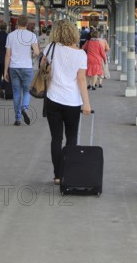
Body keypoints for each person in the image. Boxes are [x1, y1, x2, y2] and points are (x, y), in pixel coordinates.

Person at [42, 19, 91, 185]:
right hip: (72, 101)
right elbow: (81, 79)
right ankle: (67, 173)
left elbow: (43, 67)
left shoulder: (50, 48)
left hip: (52, 99)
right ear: (74, 33)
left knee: (56, 138)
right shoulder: (80, 54)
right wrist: (87, 104)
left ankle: (57, 175)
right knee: (71, 138)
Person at [4, 15, 39, 126]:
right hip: (27, 67)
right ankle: (25, 108)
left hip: (13, 68)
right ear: (27, 23)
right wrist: (32, 56)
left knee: (17, 93)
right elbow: (37, 52)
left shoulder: (10, 35)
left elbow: (8, 54)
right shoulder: (32, 35)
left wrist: (5, 71)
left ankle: (18, 118)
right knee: (27, 91)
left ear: (17, 23)